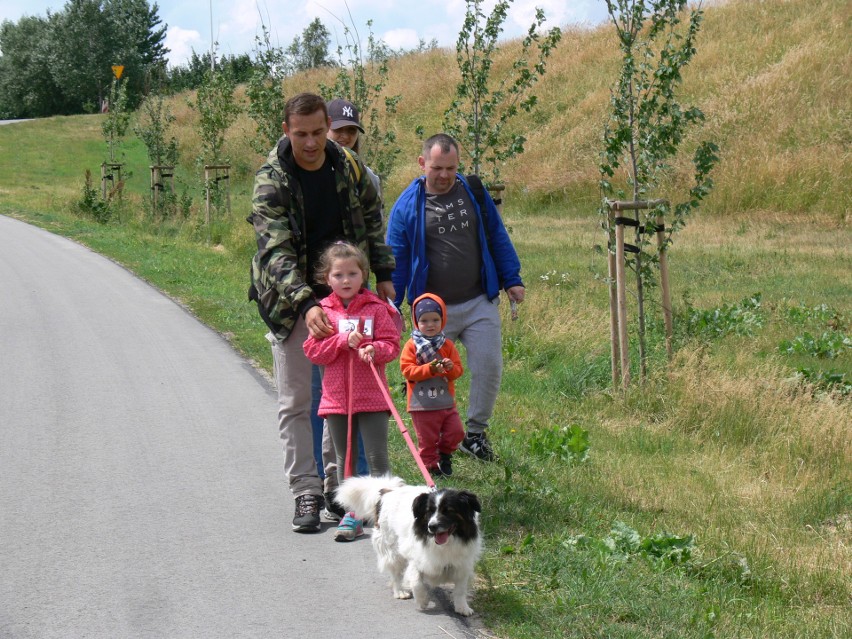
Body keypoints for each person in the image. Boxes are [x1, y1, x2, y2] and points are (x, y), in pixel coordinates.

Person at [247, 92, 395, 533]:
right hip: (291, 302)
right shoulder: (271, 180)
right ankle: (305, 491)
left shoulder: (347, 166)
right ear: (286, 131)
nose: (310, 143)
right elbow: (274, 251)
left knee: (343, 397)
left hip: (347, 295)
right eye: (300, 135)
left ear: (326, 129)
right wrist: (306, 304)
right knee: (298, 400)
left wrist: (383, 273)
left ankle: (339, 490)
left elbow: (372, 218)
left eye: (317, 133)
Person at [386, 133, 525, 463]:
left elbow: (496, 236)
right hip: (432, 315)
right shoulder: (407, 205)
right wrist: (391, 305)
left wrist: (512, 280)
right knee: (431, 377)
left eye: (450, 167)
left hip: (479, 300)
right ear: (422, 164)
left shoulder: (473, 191)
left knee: (489, 367)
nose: (444, 175)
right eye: (436, 168)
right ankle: (433, 442)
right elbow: (397, 259)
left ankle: (474, 434)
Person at [303, 241, 401, 541]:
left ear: (364, 275)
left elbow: (392, 344)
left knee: (377, 458)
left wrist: (374, 347)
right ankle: (353, 515)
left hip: (372, 396)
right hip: (335, 400)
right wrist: (341, 343)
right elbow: (313, 351)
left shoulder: (376, 307)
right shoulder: (323, 312)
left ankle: (387, 516)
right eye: (338, 275)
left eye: (352, 274)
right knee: (346, 459)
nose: (346, 281)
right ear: (326, 279)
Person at [400, 293, 465, 477]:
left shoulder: (447, 345)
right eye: (424, 320)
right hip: (421, 404)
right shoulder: (412, 346)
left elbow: (458, 371)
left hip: (445, 401)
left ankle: (445, 454)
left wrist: (450, 368)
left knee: (456, 431)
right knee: (427, 439)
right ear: (416, 322)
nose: (430, 325)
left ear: (443, 320)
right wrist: (430, 369)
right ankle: (430, 468)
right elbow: (407, 371)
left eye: (435, 320)